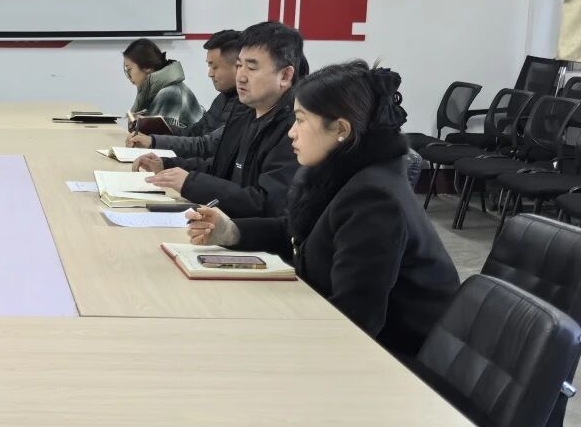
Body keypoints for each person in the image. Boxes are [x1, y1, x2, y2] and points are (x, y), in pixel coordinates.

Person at [186, 62, 459, 359]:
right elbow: (296, 232)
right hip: (331, 322)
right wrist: (231, 231)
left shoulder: (374, 200)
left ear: (341, 129)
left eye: (301, 120)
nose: (291, 132)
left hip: (396, 360)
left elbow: (355, 319)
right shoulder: (338, 172)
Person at [134, 21, 302, 218]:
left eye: (251, 68)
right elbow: (220, 168)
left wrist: (191, 183)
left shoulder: (295, 128)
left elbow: (267, 204)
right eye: (239, 66)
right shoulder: (244, 112)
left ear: (285, 75)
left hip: (247, 232)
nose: (241, 76)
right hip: (222, 220)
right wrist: (166, 165)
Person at [127, 29, 246, 155]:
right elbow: (194, 132)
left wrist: (154, 142)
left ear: (237, 66)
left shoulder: (246, 107)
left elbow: (206, 147)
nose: (210, 74)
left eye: (215, 67)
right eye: (209, 66)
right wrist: (152, 127)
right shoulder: (222, 98)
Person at [122, 38, 203, 130]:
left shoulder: (171, 92)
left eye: (129, 69)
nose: (128, 76)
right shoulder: (151, 90)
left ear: (147, 67)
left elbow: (156, 135)